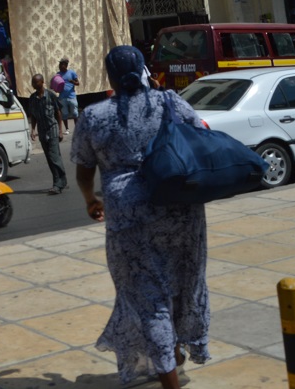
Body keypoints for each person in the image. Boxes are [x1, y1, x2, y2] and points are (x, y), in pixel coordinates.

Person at [71, 45, 210, 389]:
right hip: (180, 208)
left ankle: (169, 378)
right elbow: (201, 135)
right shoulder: (170, 102)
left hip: (128, 214)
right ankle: (173, 351)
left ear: (110, 77)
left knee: (149, 298)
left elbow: (84, 169)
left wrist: (91, 200)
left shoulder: (95, 115)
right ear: (144, 69)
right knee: (182, 282)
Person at [29, 73, 68, 195]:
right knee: (50, 158)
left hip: (53, 129)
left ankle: (57, 184)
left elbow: (58, 113)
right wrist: (33, 130)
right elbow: (33, 116)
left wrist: (61, 131)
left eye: (36, 82)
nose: (34, 84)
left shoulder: (50, 95)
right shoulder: (32, 98)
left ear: (42, 82)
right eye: (33, 82)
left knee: (54, 156)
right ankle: (62, 180)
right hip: (42, 131)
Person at [56, 58, 81, 132]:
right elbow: (55, 85)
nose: (60, 66)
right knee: (64, 114)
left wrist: (72, 81)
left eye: (61, 64)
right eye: (59, 64)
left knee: (75, 113)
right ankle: (67, 129)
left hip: (71, 96)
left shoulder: (72, 73)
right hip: (62, 97)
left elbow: (78, 83)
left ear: (66, 65)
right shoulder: (58, 74)